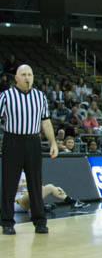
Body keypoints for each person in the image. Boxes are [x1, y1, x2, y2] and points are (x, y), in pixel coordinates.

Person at [1, 64, 58, 235]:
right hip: (13, 141)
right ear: (16, 78)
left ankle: (40, 221)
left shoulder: (40, 97)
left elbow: (46, 122)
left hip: (33, 141)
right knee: (9, 184)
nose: (27, 78)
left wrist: (53, 142)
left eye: (30, 74)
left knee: (35, 183)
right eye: (23, 74)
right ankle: (7, 222)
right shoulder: (5, 96)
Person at [13, 174, 87, 213]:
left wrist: (55, 189)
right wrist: (28, 184)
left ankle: (72, 201)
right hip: (17, 203)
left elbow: (37, 186)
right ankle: (72, 202)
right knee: (49, 187)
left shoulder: (29, 171)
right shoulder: (15, 171)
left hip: (28, 203)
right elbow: (10, 187)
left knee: (50, 187)